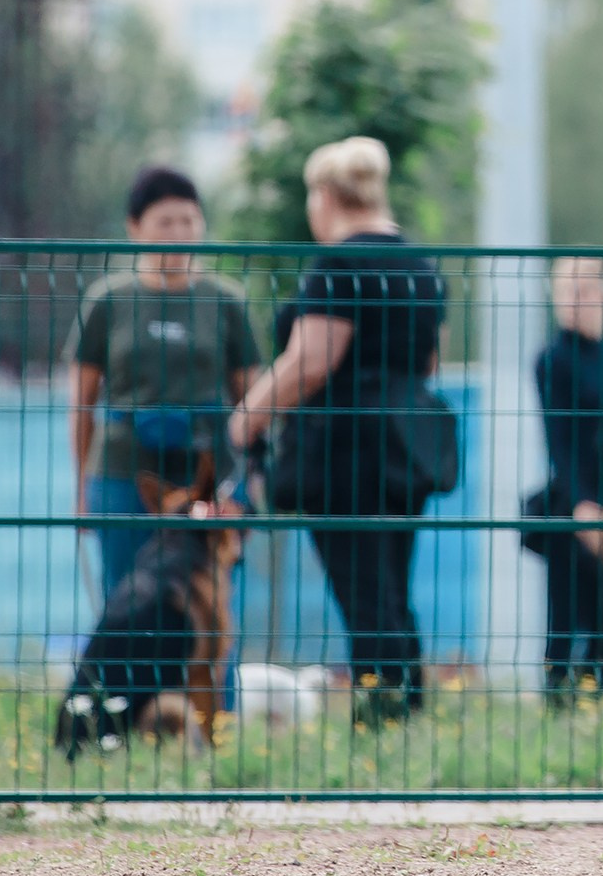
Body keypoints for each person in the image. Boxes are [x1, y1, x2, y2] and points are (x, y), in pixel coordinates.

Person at [228, 137, 447, 724]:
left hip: (343, 454)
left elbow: (312, 361)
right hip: (406, 452)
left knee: (364, 595)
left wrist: (247, 416)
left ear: (325, 197)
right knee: (392, 590)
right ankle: (404, 713)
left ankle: (383, 720)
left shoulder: (340, 264)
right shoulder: (421, 267)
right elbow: (429, 364)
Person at [66, 166, 261, 601]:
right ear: (135, 229)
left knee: (208, 606)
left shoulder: (226, 301)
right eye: (165, 222)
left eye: (189, 220)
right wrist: (82, 490)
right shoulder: (108, 300)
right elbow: (81, 405)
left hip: (207, 477)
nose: (180, 232)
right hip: (121, 473)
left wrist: (247, 487)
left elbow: (253, 405)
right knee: (126, 604)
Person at [524, 257, 603, 697]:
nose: (575, 303)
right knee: (565, 602)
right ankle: (558, 693)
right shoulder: (552, 359)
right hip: (571, 497)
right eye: (567, 293)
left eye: (584, 291)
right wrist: (581, 504)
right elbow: (557, 439)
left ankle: (601, 689)